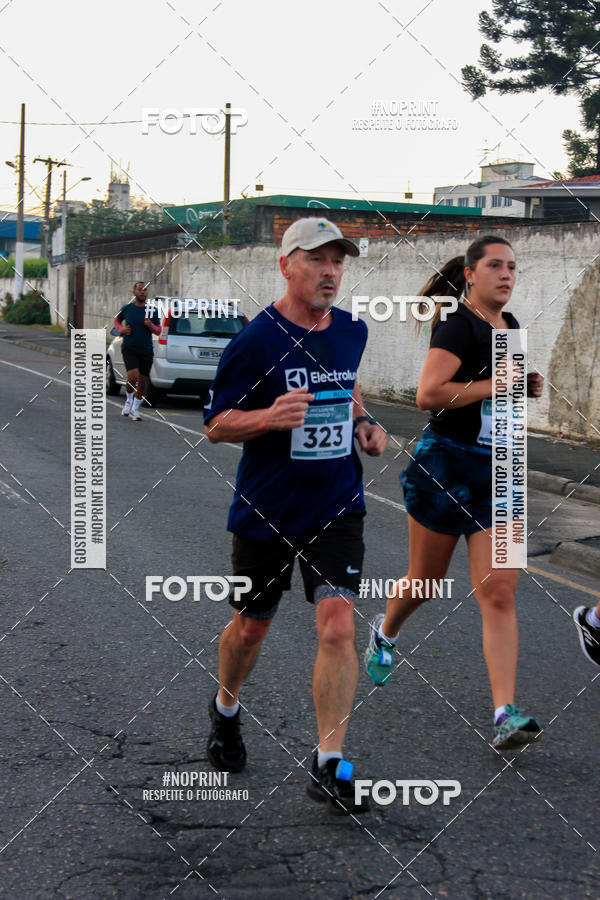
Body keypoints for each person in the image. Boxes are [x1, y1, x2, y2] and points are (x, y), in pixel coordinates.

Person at [203, 217, 387, 813]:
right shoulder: (255, 341)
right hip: (268, 509)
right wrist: (266, 419)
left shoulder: (351, 332)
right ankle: (226, 707)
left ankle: (329, 763)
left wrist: (363, 424)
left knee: (338, 626)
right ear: (286, 265)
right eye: (317, 259)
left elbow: (347, 388)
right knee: (252, 626)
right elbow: (215, 425)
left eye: (338, 261)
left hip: (337, 504)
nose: (330, 271)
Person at [364, 235, 545, 751]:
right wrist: (499, 384)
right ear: (469, 274)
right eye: (495, 266)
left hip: (502, 469)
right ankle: (386, 630)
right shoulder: (457, 326)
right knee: (425, 580)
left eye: (512, 267)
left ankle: (504, 713)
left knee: (500, 591)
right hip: (447, 466)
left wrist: (522, 384)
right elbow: (429, 395)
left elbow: (497, 392)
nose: (506, 275)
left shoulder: (511, 329)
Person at [113, 281, 161, 420]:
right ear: (134, 292)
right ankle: (128, 400)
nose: (142, 292)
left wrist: (150, 325)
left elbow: (159, 331)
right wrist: (122, 330)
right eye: (140, 289)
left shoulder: (152, 310)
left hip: (146, 349)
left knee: (143, 381)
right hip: (129, 347)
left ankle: (135, 408)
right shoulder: (127, 309)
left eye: (145, 290)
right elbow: (116, 321)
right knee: (132, 376)